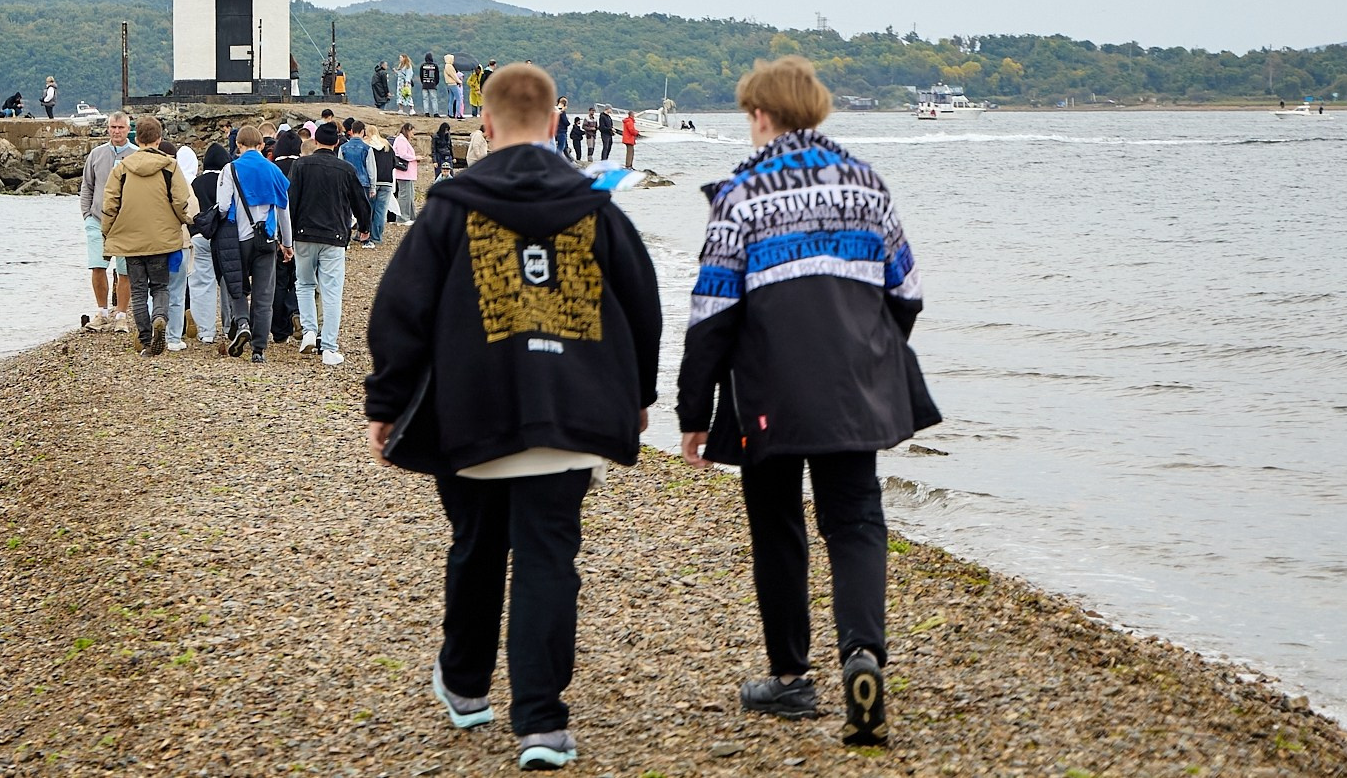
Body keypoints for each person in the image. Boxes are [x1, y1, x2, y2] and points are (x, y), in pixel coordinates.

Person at [364, 62, 664, 772]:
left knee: (476, 543)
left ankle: (466, 686)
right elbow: (642, 304)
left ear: (485, 125)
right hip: (569, 409)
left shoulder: (448, 206)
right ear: (557, 122)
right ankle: (542, 722)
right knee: (547, 557)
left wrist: (386, 403)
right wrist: (639, 394)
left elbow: (401, 313)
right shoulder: (598, 208)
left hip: (472, 408)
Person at [675, 56, 932, 749]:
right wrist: (872, 354)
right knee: (854, 520)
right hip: (853, 386)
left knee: (779, 527)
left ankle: (791, 678)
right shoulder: (866, 182)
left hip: (769, 391)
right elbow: (905, 291)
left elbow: (713, 310)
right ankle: (863, 655)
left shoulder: (743, 193)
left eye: (748, 114)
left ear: (763, 113)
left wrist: (692, 411)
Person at [100, 116, 193, 357]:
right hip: (162, 237)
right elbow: (181, 200)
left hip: (130, 238)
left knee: (139, 290)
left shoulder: (122, 167)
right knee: (160, 286)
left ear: (136, 138)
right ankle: (160, 318)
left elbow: (110, 204)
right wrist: (183, 221)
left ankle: (145, 338)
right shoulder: (170, 166)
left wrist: (107, 232)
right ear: (159, 139)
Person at [288, 121, 370, 366]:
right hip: (334, 236)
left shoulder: (300, 165)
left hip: (303, 234)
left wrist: (286, 236)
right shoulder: (345, 169)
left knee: (304, 284)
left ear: (315, 142)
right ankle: (329, 347)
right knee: (331, 291)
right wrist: (364, 227)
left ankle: (309, 331)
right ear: (336, 143)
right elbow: (360, 201)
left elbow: (290, 201)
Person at [213, 123, 294, 362]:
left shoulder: (230, 169)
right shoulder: (273, 170)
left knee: (236, 284)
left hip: (239, 238)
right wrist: (286, 243)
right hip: (267, 239)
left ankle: (242, 324)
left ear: (238, 145)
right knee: (264, 294)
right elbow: (283, 210)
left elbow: (224, 205)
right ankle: (258, 349)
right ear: (261, 145)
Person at [189, 140, 251, 354]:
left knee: (202, 283)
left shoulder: (196, 183)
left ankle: (206, 332)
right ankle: (229, 325)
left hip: (199, 235)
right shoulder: (229, 179)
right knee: (229, 281)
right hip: (226, 237)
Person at [78, 112, 135, 332]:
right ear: (108, 128)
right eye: (113, 127)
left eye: (121, 127)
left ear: (128, 129)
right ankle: (101, 312)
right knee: (97, 266)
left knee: (125, 270)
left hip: (125, 223)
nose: (116, 131)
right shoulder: (96, 154)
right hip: (97, 220)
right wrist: (86, 215)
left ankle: (121, 315)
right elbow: (87, 186)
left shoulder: (135, 155)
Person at [165, 141, 203, 351]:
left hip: (152, 243)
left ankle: (153, 326)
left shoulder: (149, 179)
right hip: (179, 242)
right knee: (177, 291)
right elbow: (192, 210)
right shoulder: (181, 181)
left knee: (156, 288)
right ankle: (173, 337)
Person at [369, 119, 401, 239]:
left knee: (370, 208)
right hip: (387, 181)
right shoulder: (388, 145)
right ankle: (377, 236)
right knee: (381, 210)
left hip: (373, 181)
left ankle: (368, 234)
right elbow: (395, 163)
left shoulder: (368, 146)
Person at [391, 121, 420, 224]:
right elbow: (402, 154)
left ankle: (411, 216)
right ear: (408, 130)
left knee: (410, 195)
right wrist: (415, 157)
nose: (413, 135)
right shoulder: (401, 140)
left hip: (408, 173)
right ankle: (403, 218)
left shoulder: (403, 140)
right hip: (404, 173)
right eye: (412, 132)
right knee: (405, 195)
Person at [444, 54, 465, 118]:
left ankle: (450, 114)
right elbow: (454, 76)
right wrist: (459, 81)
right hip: (453, 84)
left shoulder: (446, 66)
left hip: (449, 84)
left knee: (451, 100)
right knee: (458, 99)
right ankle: (458, 114)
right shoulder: (449, 66)